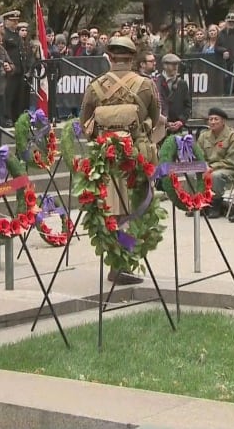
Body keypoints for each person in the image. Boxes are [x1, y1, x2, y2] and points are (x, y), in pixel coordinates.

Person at [79, 36, 160, 285]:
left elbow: (85, 123)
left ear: (110, 58)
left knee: (111, 210)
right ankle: (127, 260)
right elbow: (155, 117)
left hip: (106, 158)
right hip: (137, 157)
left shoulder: (95, 86)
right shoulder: (145, 85)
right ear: (133, 58)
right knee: (137, 209)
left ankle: (117, 260)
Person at [196, 108, 234, 218]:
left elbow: (232, 160)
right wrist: (204, 165)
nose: (212, 122)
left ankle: (215, 205)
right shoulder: (204, 136)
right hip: (207, 167)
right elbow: (198, 155)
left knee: (215, 175)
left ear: (223, 121)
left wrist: (211, 167)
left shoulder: (233, 136)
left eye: (216, 119)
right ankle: (199, 203)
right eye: (210, 119)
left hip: (228, 169)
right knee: (193, 173)